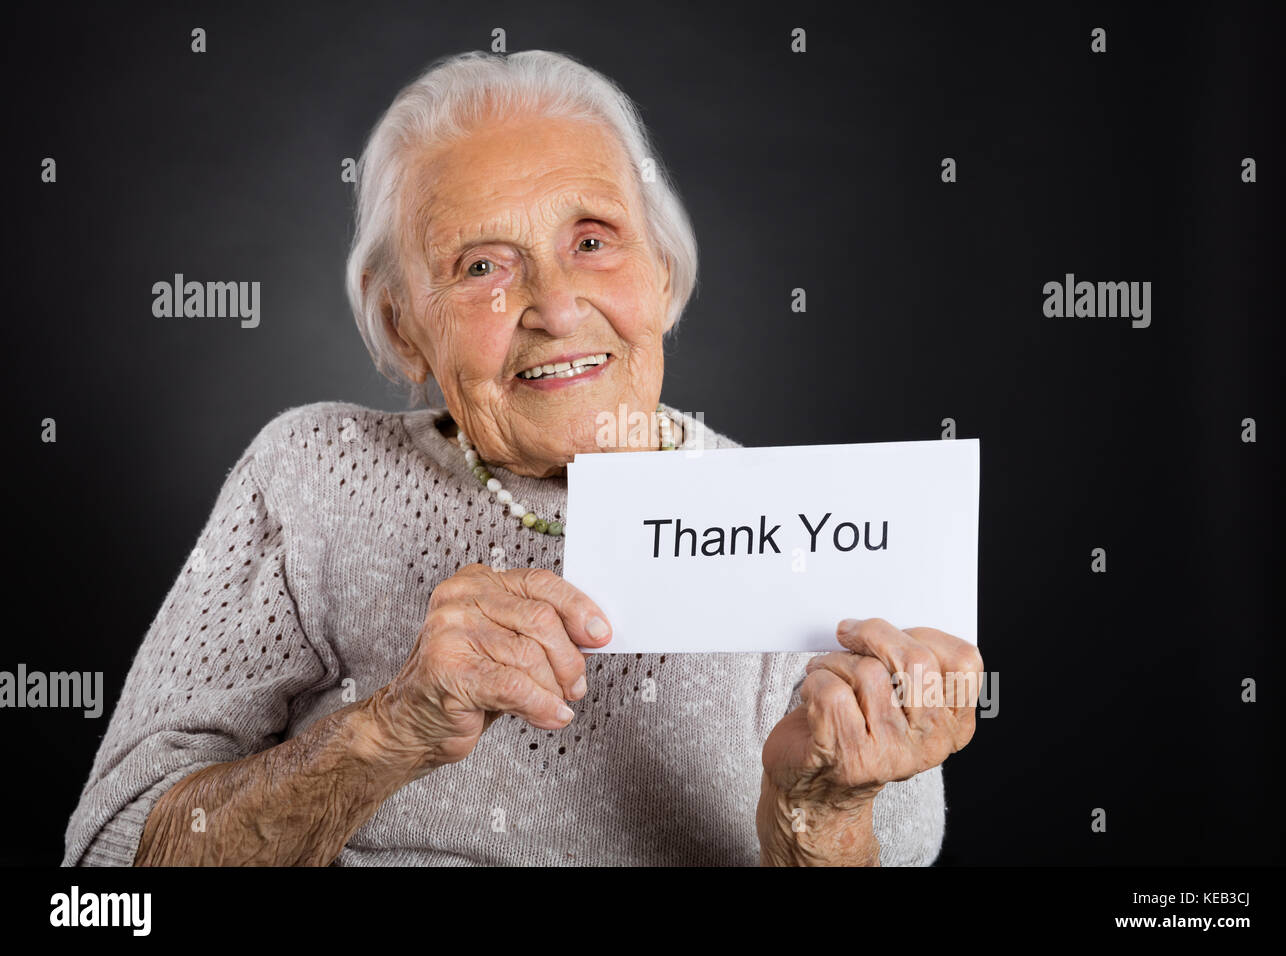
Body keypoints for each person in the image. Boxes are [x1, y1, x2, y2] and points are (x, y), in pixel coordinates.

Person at [64, 49, 981, 867]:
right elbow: (109, 870)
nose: (555, 303)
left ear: (661, 275)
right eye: (481, 268)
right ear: (401, 326)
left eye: (592, 241)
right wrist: (388, 734)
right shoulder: (311, 473)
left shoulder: (825, 536)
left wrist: (817, 819)